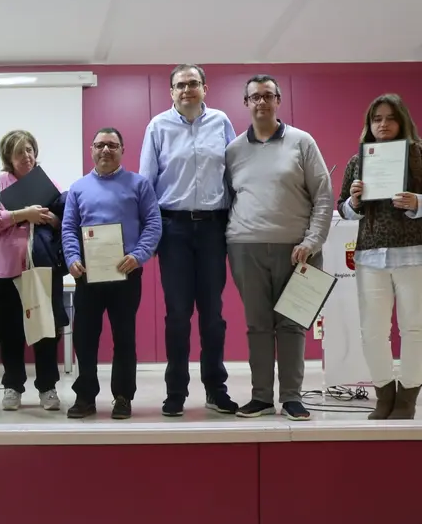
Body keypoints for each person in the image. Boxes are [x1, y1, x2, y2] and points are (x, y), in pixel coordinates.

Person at [226, 74, 332, 421]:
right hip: (246, 248)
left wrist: (312, 241)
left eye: (268, 96)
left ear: (278, 101)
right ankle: (260, 397)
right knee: (257, 324)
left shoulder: (302, 142)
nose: (261, 102)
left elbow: (323, 196)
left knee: (292, 325)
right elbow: (229, 199)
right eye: (254, 97)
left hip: (297, 250)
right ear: (246, 103)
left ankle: (291, 397)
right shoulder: (234, 150)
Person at [139, 64, 238, 416]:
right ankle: (176, 393)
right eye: (180, 85)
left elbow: (235, 174)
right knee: (178, 315)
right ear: (171, 92)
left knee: (213, 315)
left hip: (213, 228)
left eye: (193, 83)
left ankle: (216, 389)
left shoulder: (222, 122)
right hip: (174, 230)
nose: (187, 90)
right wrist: (148, 239)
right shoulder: (158, 127)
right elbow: (146, 186)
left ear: (205, 88)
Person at [62, 128, 161, 420]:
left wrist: (138, 255)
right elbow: (68, 228)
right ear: (91, 149)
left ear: (122, 150)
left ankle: (122, 397)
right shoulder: (78, 188)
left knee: (125, 338)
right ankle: (85, 396)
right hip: (88, 276)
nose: (106, 150)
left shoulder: (139, 184)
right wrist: (72, 258)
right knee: (84, 338)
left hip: (125, 275)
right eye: (100, 145)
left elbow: (153, 224)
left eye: (112, 145)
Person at [337, 94, 422, 419]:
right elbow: (343, 209)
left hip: (413, 253)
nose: (382, 124)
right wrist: (355, 203)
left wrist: (417, 203)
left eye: (389, 118)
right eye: (376, 119)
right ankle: (384, 393)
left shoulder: (418, 154)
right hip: (370, 254)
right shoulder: (359, 161)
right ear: (369, 125)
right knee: (372, 330)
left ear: (401, 120)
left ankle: (408, 398)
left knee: (414, 329)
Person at [0, 129, 67, 412]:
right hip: (6, 270)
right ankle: (13, 386)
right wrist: (24, 214)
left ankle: (47, 387)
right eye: (20, 151)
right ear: (8, 157)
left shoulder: (48, 183)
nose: (27, 156)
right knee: (10, 332)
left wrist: (52, 219)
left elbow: (64, 221)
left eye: (31, 150)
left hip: (42, 269)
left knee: (46, 329)